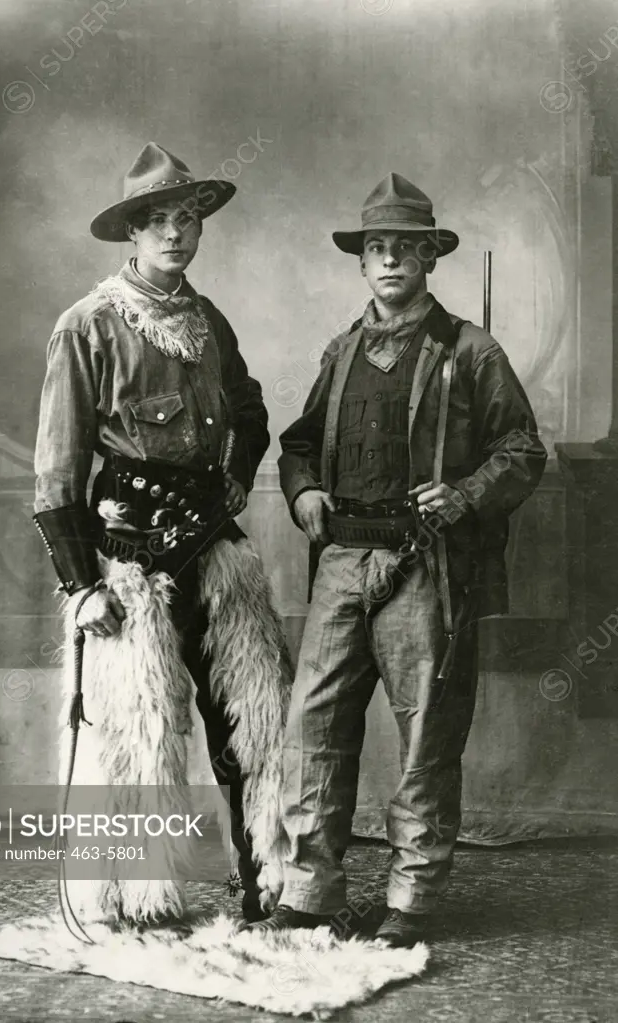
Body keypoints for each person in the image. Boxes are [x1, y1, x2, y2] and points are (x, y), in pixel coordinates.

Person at [246, 172, 547, 946]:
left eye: (403, 249)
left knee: (424, 734)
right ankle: (310, 889)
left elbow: (521, 447)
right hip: (343, 559)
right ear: (360, 262)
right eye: (375, 248)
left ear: (428, 258)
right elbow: (299, 442)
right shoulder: (341, 349)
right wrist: (305, 490)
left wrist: (465, 495)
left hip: (424, 565)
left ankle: (410, 898)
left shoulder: (470, 349)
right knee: (314, 725)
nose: (388, 261)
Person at [32, 142, 291, 928]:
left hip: (215, 545)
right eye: (156, 221)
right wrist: (81, 587)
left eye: (186, 218)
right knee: (139, 731)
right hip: (127, 560)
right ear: (130, 234)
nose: (175, 234)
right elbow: (55, 472)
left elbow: (249, 410)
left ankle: (269, 883)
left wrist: (240, 467)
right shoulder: (88, 326)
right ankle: (135, 897)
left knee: (256, 716)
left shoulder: (209, 320)